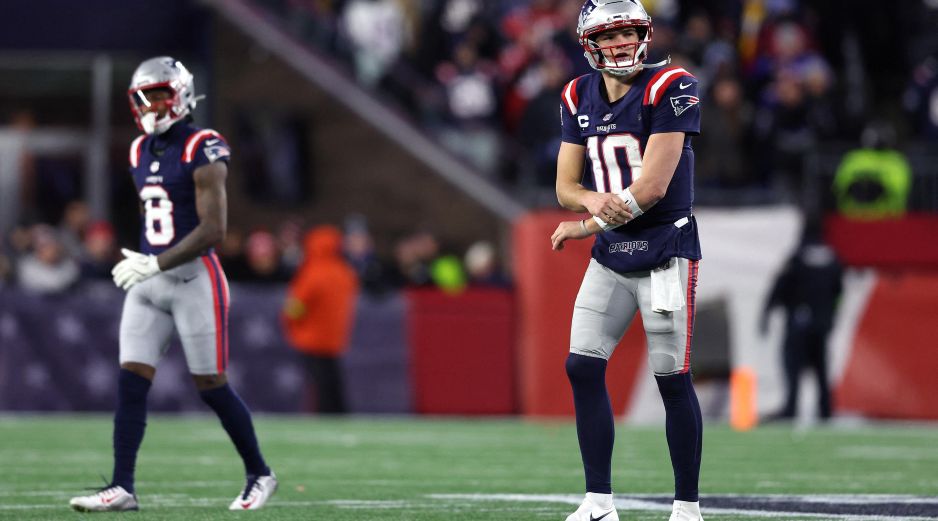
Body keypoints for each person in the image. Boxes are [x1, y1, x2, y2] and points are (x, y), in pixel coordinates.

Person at [68, 57, 277, 512]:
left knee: (211, 385)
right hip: (151, 280)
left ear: (181, 94)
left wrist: (155, 262)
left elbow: (213, 230)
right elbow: (155, 218)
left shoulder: (203, 145)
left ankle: (260, 473)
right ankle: (123, 487)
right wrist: (143, 260)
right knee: (130, 380)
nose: (151, 104)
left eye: (159, 94)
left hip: (193, 278)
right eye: (144, 96)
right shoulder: (138, 149)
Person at [549, 2, 704, 520]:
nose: (620, 44)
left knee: (671, 381)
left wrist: (584, 225)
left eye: (628, 33)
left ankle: (686, 508)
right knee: (581, 366)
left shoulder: (672, 85)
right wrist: (590, 201)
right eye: (609, 36)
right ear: (589, 44)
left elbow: (654, 187)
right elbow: (566, 185)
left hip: (663, 251)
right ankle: (598, 502)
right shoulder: (576, 94)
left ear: (645, 35)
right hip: (613, 257)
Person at [760, 217, 843, 421]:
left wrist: (766, 314)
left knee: (793, 366)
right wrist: (830, 317)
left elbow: (780, 286)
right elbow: (838, 292)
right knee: (821, 367)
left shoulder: (798, 259)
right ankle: (825, 409)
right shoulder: (833, 260)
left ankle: (791, 407)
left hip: (798, 322)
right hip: (821, 324)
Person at [282, 225, 359, 413]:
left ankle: (324, 411)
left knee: (318, 381)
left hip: (311, 336)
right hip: (335, 337)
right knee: (332, 377)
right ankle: (339, 410)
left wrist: (290, 323)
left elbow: (296, 305)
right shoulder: (345, 273)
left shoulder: (312, 272)